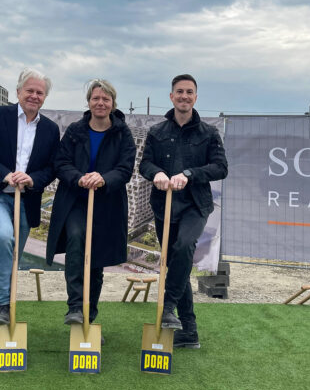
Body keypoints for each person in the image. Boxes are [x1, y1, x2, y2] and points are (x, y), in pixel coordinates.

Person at [0, 68, 60, 341]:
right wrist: (5, 174)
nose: (34, 96)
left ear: (45, 97)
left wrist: (32, 179)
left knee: (12, 259)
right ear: (18, 92)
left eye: (39, 92)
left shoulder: (50, 129)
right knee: (4, 237)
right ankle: (3, 305)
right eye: (29, 90)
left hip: (25, 200)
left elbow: (52, 167)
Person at [139, 74, 228, 349]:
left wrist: (189, 174)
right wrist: (157, 174)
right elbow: (145, 164)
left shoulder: (208, 133)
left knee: (184, 246)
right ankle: (189, 332)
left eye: (189, 92)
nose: (184, 96)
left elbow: (220, 168)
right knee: (176, 264)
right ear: (171, 96)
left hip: (195, 205)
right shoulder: (157, 131)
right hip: (164, 206)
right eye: (179, 91)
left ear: (195, 97)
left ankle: (168, 308)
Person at [46, 79, 136, 334]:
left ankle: (88, 317)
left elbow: (125, 168)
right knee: (76, 239)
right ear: (88, 102)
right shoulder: (75, 130)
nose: (100, 103)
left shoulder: (122, 133)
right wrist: (79, 178)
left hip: (107, 204)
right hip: (75, 200)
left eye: (105, 99)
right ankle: (75, 306)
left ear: (113, 103)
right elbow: (61, 162)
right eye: (96, 98)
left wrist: (103, 178)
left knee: (96, 261)